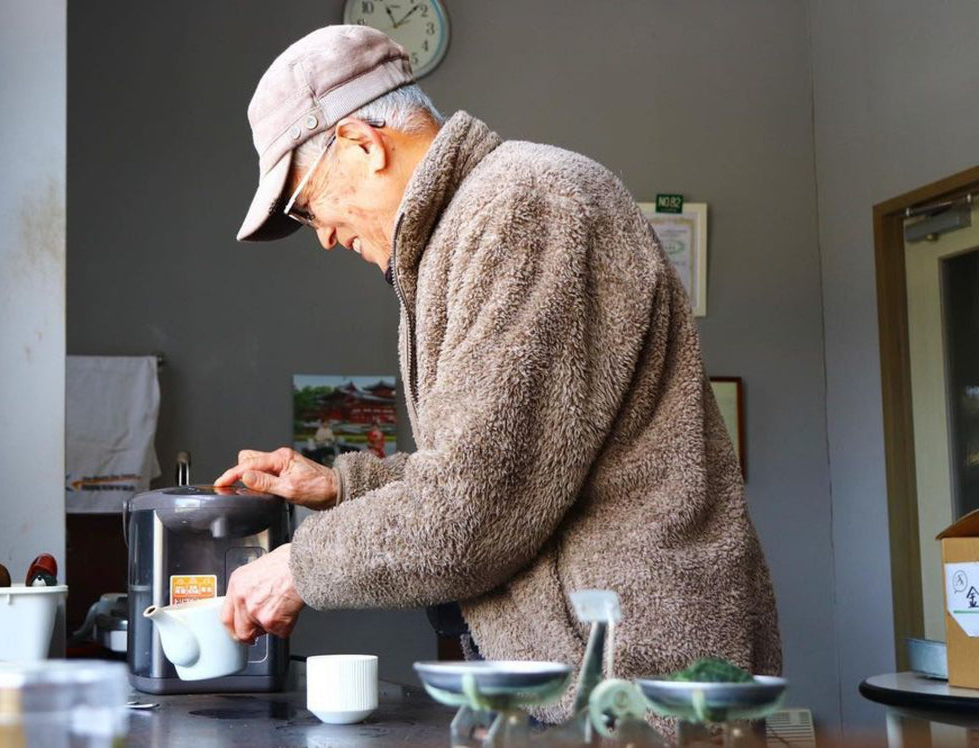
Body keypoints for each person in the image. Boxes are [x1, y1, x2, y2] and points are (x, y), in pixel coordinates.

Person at [215, 25, 781, 722]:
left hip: (634, 693)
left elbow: (473, 510)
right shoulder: (461, 232)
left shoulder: (523, 207)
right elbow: (509, 467)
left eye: (305, 206)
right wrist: (342, 486)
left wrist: (299, 565)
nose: (323, 234)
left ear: (363, 142)